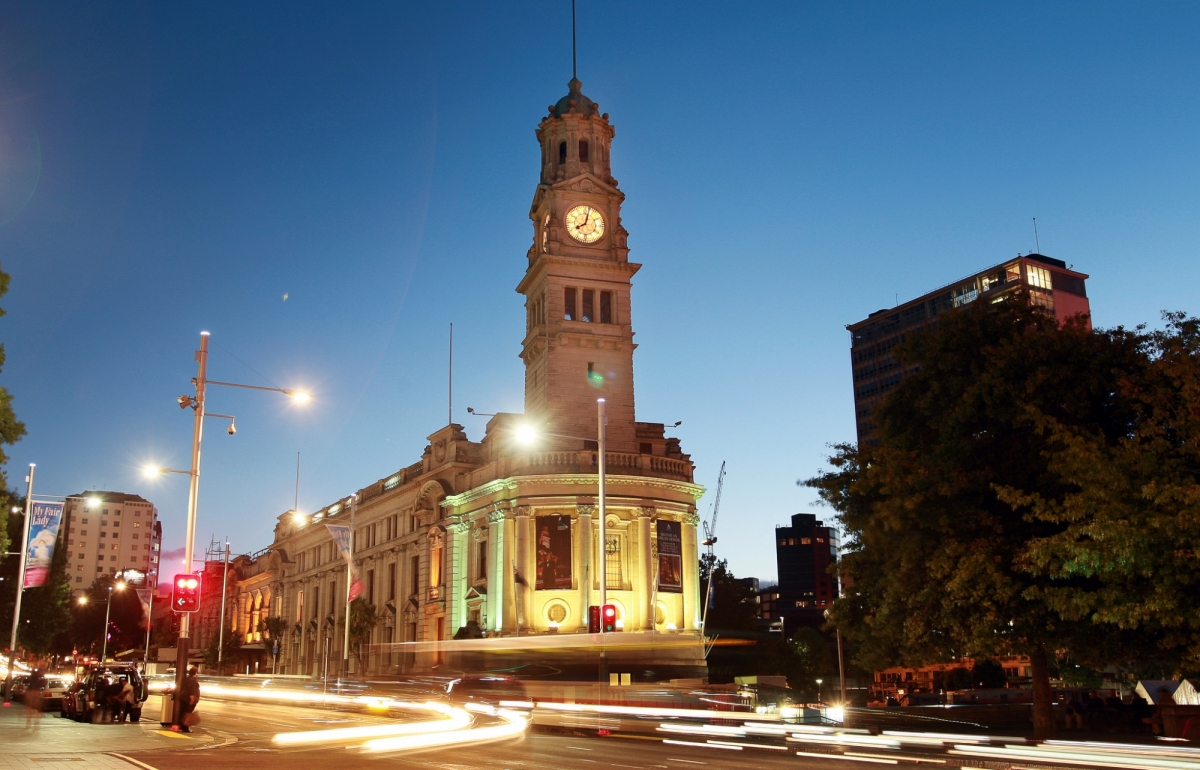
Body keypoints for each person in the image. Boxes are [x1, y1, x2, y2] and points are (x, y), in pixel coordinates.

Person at [177, 666, 201, 732]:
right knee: (187, 713)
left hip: (183, 698)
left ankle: (181, 726)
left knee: (183, 713)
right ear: (196, 672)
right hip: (187, 699)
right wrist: (192, 699)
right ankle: (185, 727)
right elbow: (192, 690)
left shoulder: (187, 678)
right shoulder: (192, 680)